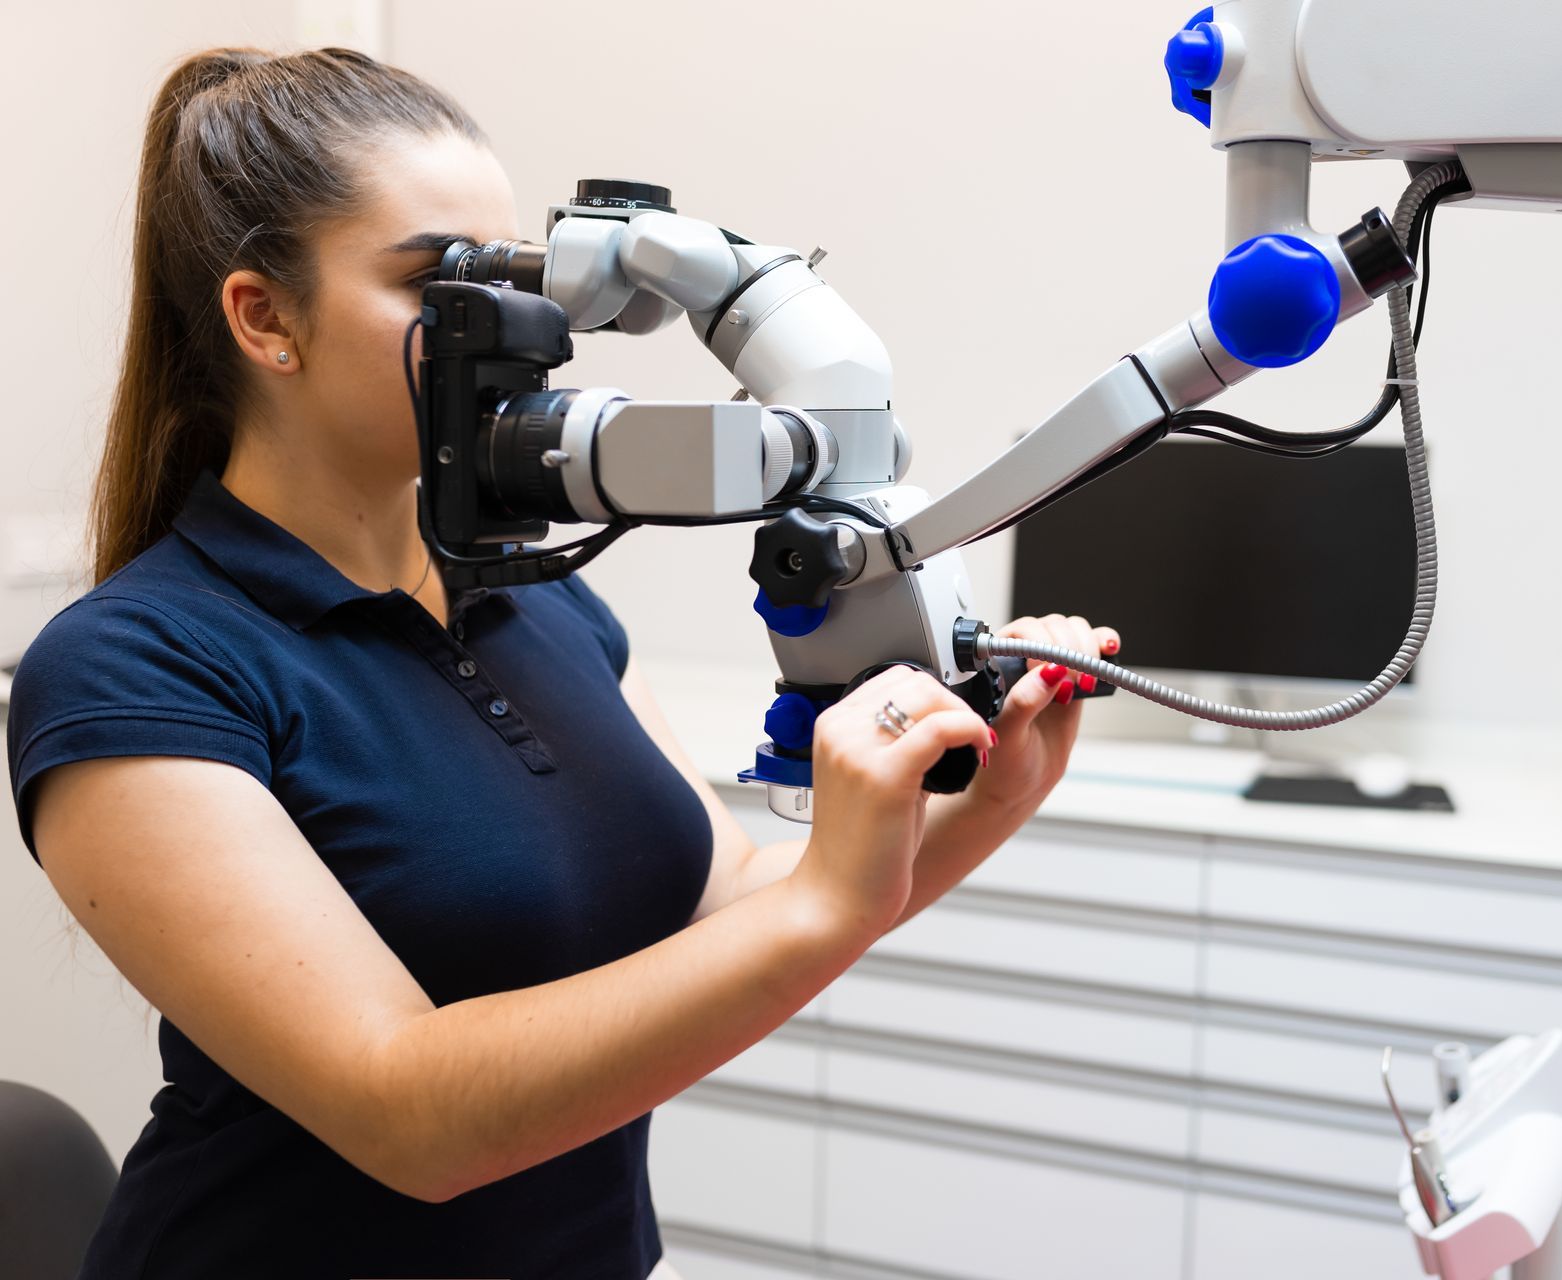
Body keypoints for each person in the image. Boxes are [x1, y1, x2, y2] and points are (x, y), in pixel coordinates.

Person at [4, 46, 1121, 1280]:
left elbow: (722, 903)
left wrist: (986, 797)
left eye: (517, 280)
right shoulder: (134, 668)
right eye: (441, 281)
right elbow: (406, 1109)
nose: (520, 333)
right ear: (266, 317)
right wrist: (825, 901)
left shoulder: (539, 599)